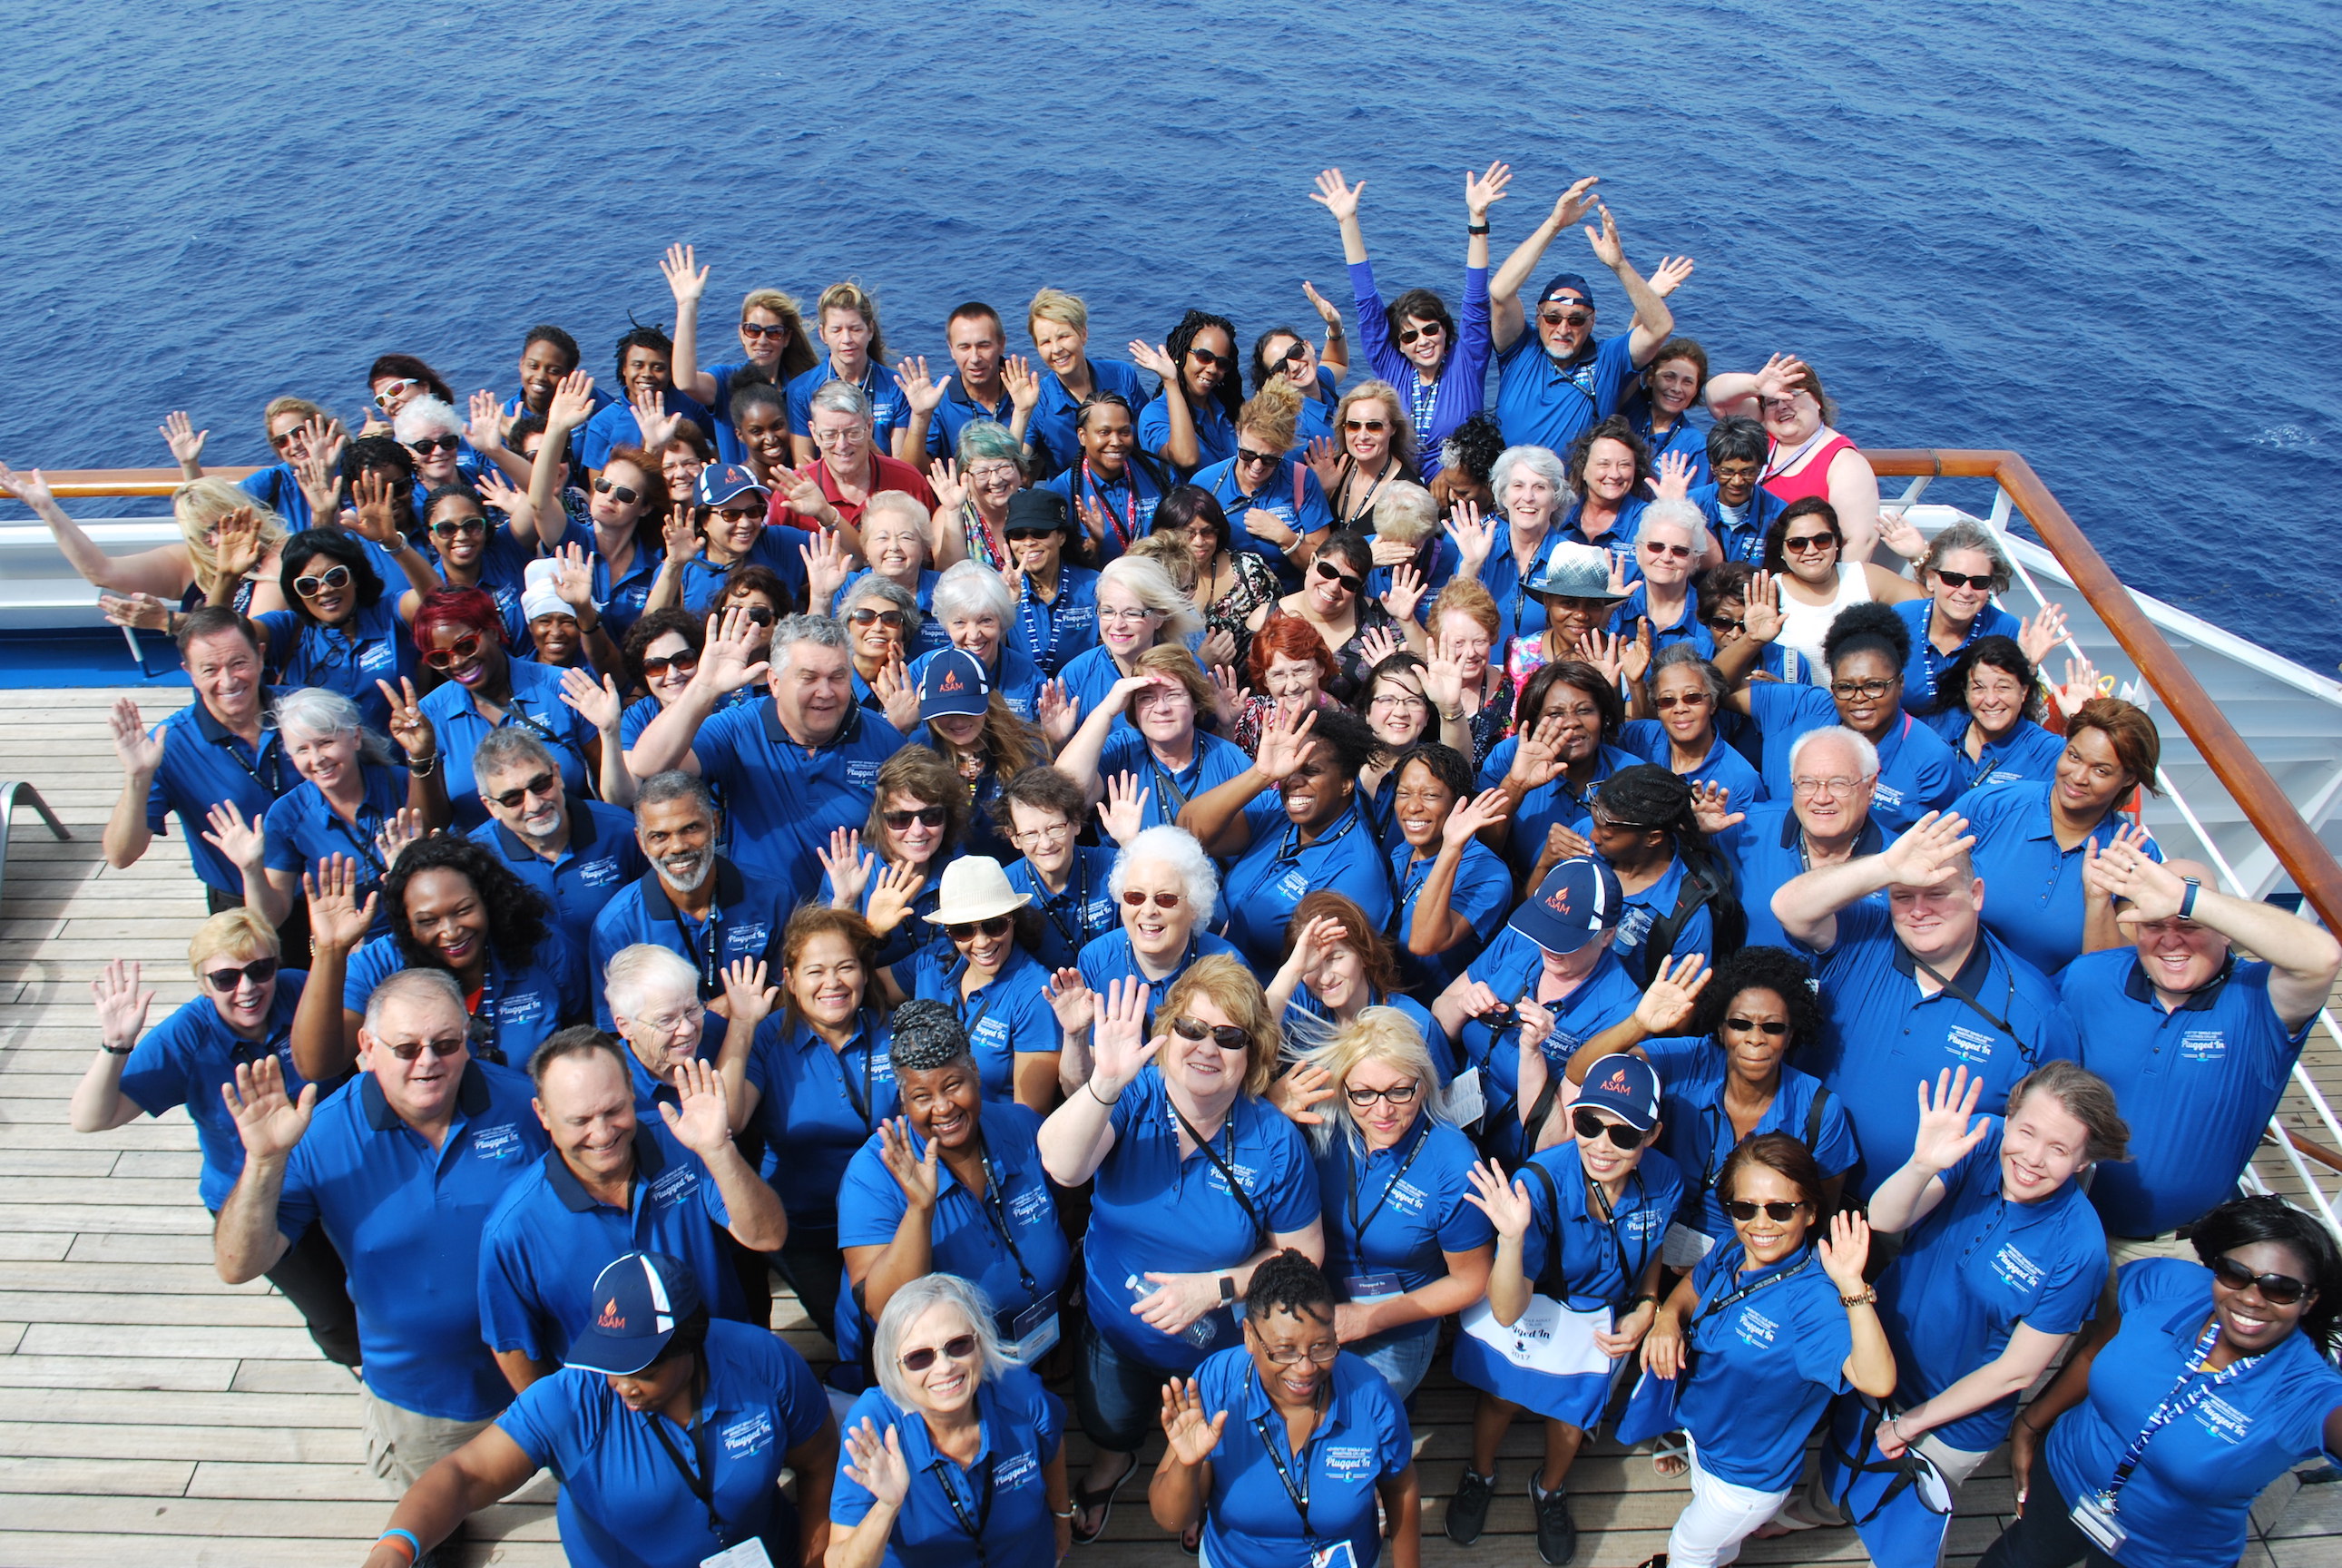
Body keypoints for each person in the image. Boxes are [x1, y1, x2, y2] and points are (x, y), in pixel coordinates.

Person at [213, 969, 549, 1501]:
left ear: (468, 1040)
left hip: (543, 1372)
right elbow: (237, 1264)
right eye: (406, 1047)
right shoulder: (321, 1134)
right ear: (367, 1047)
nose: (428, 1062)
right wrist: (264, 1161)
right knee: (435, 1521)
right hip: (423, 1399)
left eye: (445, 1043)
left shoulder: (529, 1106)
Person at [1036, 959, 1325, 1545]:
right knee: (1109, 1423)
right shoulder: (1133, 1094)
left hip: (1212, 1347)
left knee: (1201, 1434)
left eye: (1228, 1036)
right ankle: (1116, 1461)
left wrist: (1215, 1287)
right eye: (1192, 1029)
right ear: (1166, 1035)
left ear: (1253, 1054)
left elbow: (1303, 1257)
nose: (1206, 1048)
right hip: (1113, 1328)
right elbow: (1063, 1167)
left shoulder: (1273, 1141)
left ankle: (1193, 1484)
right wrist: (1104, 1081)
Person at [1801, 1061, 2122, 1557]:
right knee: (1844, 1459)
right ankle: (1816, 1512)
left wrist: (1912, 1425)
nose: (2033, 1159)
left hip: (1954, 1420)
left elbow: (2017, 1372)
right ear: (2009, 1117)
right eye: (2027, 1132)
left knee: (1906, 1522)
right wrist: (1922, 1163)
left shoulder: (2079, 1249)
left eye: (2059, 1149)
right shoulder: (1982, 1141)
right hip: (1881, 1357)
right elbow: (1884, 1219)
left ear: (2083, 1161)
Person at [361, 1250, 835, 1568]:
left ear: (691, 1344)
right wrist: (397, 1546)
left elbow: (819, 1464)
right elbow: (465, 1475)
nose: (621, 1385)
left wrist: (815, 1558)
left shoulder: (763, 1362)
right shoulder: (571, 1398)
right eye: (611, 1362)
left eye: (643, 1371)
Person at [1978, 1194, 2342, 1568]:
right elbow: (2090, 1356)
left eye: (2280, 1288)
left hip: (2162, 1553)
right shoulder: (2165, 1286)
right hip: (2064, 1475)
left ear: (2309, 1299)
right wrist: (2030, 1423)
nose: (2251, 1299)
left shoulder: (2306, 1394)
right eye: (2235, 1274)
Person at [73, 919, 358, 1367]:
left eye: (260, 969)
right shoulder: (186, 1035)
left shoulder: (299, 990)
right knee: (333, 1313)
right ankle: (364, 1370)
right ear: (203, 984)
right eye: (226, 978)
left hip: (343, 1172)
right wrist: (115, 1046)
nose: (247, 987)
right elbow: (92, 1118)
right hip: (265, 1194)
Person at [1773, 809, 2080, 1199]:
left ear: (1977, 894)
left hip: (1928, 1222)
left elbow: (2057, 1130)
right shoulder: (1868, 934)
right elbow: (1789, 907)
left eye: (1937, 894)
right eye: (1903, 896)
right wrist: (1885, 865)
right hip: (1803, 1193)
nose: (1919, 911)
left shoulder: (2034, 1013)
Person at [1448, 1054, 1680, 1564]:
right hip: (1534, 1302)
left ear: (1652, 1135)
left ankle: (1548, 1489)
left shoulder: (1666, 1180)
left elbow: (1654, 1245)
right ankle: (1479, 1472)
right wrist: (1511, 1239)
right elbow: (1508, 1310)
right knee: (1501, 1401)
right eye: (1589, 1123)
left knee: (1570, 1421)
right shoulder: (1541, 1182)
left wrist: (1647, 1305)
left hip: (1596, 1316)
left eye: (1624, 1135)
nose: (1601, 1145)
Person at [2065, 844, 2342, 1259]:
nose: (2171, 940)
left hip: (2181, 1249)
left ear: (2224, 927)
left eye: (2190, 923)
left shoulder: (2259, 999)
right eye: (2155, 923)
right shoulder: (2091, 977)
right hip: (2074, 1230)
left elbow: (2322, 958)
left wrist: (2186, 898)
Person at [1637, 1135, 1895, 1568]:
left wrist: (1852, 1285)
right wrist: (1667, 1320)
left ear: (1810, 1212)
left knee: (1687, 1549)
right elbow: (1693, 1287)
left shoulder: (1812, 1300)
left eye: (1780, 1209)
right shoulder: (1735, 1248)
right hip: (1704, 1438)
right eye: (1745, 1208)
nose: (1761, 1223)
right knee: (1719, 1545)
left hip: (1744, 1477)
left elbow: (1878, 1379)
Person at [477, 1027, 781, 1380]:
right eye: (580, 1121)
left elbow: (768, 1236)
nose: (603, 1133)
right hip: (616, 1413)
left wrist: (720, 1151)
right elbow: (513, 1347)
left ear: (629, 1086)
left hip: (726, 1377)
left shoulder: (686, 1142)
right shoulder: (513, 1227)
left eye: (614, 1110)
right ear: (542, 1114)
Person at [1569, 946, 1857, 1258]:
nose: (1755, 1038)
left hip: (1743, 1258)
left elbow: (1817, 1218)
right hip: (1648, 1238)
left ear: (1790, 1036)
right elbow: (1582, 1072)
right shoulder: (1691, 1059)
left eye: (1772, 1027)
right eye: (1740, 1024)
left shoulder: (1820, 1112)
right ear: (1721, 1027)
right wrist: (1639, 1023)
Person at [833, 1006, 1071, 1380]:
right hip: (938, 1372)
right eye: (921, 1096)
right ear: (902, 1100)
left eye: (953, 1085)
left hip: (1034, 1349)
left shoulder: (1020, 1126)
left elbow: (1070, 1207)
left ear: (975, 1073)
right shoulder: (872, 1172)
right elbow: (882, 1308)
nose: (943, 1108)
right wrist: (919, 1209)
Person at [1151, 1250, 1421, 1568]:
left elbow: (1401, 1487)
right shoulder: (1215, 1385)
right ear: (1250, 1337)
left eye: (1321, 1346)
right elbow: (1172, 1521)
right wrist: (1188, 1464)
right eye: (1285, 1350)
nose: (1305, 1368)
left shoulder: (1372, 1397)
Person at [628, 609, 909, 893]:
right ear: (774, 682)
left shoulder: (883, 739)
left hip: (854, 918)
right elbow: (648, 766)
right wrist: (703, 687)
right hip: (760, 923)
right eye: (808, 678)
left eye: (837, 677)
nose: (825, 692)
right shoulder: (739, 729)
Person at [1292, 1005, 1489, 1404]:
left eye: (1401, 1091)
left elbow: (1472, 1280)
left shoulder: (1453, 1166)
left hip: (1397, 1332)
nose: (1382, 1112)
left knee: (1349, 1418)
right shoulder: (1322, 1124)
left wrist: (1368, 1318)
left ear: (1424, 1083)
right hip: (1314, 1307)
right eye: (1363, 1094)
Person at [830, 1273, 1073, 1568]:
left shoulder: (1022, 1395)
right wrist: (887, 1506)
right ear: (894, 1369)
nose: (945, 1367)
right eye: (919, 1357)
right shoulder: (874, 1425)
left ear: (981, 1344)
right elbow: (841, 1563)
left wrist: (1062, 1518)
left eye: (958, 1345)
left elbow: (1051, 1448)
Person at [738, 906, 899, 1343]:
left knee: (891, 1325)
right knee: (853, 1337)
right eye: (815, 971)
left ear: (865, 974)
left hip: (885, 1218)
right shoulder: (769, 1037)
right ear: (789, 980)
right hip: (805, 1228)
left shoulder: (890, 1030)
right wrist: (741, 1023)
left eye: (846, 967)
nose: (833, 983)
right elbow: (732, 1118)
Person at [313, 830, 589, 1080]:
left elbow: (585, 1042)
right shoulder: (380, 964)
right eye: (428, 920)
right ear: (406, 923)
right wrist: (330, 951)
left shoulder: (542, 946)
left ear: (487, 899)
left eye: (463, 910)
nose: (451, 931)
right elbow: (318, 1065)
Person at [1430, 858, 1642, 1167]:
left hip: (1517, 1158)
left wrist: (1532, 1053)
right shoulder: (1522, 940)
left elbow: (1552, 1140)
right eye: (1546, 927)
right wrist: (1463, 1005)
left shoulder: (1620, 1010)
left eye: (1566, 938)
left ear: (1607, 935)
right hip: (1451, 1115)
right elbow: (1438, 1020)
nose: (1549, 945)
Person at [101, 611, 299, 913]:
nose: (228, 680)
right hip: (242, 905)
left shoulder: (306, 710)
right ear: (189, 672)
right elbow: (120, 855)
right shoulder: (170, 744)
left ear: (260, 657)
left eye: (239, 663)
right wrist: (138, 777)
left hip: (335, 890)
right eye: (210, 669)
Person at [1952, 696, 2165, 974]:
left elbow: (2115, 974)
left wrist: (2098, 902)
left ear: (2128, 778)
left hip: (2053, 1008)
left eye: (2100, 770)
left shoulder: (2138, 855)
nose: (2077, 776)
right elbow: (1917, 875)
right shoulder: (1990, 805)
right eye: (2073, 756)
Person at [1313, 161, 1501, 474]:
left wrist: (1477, 220)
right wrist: (1348, 222)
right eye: (1410, 336)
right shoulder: (1392, 369)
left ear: (1445, 331)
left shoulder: (1467, 362)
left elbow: (1476, 301)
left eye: (1430, 330)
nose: (1422, 341)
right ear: (1399, 344)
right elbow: (1367, 304)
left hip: (1455, 499)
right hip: (1398, 499)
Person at [1181, 705, 1394, 972]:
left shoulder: (1355, 871)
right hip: (1224, 981)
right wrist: (1262, 774)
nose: (1293, 780)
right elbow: (1190, 833)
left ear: (1346, 784)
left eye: (1311, 771)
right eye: (1290, 769)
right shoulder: (1276, 810)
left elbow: (1329, 974)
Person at [1723, 597, 1961, 834]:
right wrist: (1751, 640)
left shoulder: (1931, 760)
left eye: (1874, 685)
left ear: (1900, 684)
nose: (1859, 698)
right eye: (1845, 687)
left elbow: (1951, 841)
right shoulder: (1799, 706)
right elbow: (1708, 691)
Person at [1489, 181, 1684, 454]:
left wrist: (1620, 265)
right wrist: (1554, 225)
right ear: (1538, 315)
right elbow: (1500, 292)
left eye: (1577, 319)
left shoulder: (1609, 360)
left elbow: (1660, 327)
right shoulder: (1521, 350)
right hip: (1509, 491)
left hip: (1572, 495)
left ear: (1592, 322)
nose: (1563, 328)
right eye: (1553, 318)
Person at [587, 770, 787, 1026]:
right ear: (640, 841)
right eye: (659, 836)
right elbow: (616, 1032)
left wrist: (749, 999)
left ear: (716, 824)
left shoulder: (772, 896)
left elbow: (792, 985)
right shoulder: (616, 926)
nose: (678, 846)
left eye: (691, 828)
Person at [254, 685, 448, 936]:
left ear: (355, 738)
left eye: (325, 743)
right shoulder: (287, 815)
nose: (317, 759)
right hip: (351, 948)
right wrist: (250, 869)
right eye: (302, 749)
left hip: (423, 934)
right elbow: (272, 917)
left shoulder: (405, 784)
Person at [412, 588, 603, 830]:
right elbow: (430, 826)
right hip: (482, 859)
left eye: (466, 645)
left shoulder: (561, 686)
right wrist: (421, 757)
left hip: (572, 838)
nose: (457, 662)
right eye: (440, 658)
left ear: (492, 630)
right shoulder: (430, 714)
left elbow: (609, 784)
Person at [1567, 764, 1745, 987]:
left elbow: (1677, 1013)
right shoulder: (1590, 840)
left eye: (1606, 835)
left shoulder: (1689, 920)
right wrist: (1546, 862)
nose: (1593, 835)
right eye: (1593, 823)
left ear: (1653, 838)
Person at [465, 728, 643, 950]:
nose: (534, 804)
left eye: (540, 785)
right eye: (513, 798)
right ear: (491, 806)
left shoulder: (622, 830)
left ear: (557, 775)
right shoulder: (475, 858)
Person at [1719, 725, 1887, 950]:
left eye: (1839, 783)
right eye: (1807, 783)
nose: (1822, 798)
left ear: (1871, 787)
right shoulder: (1748, 829)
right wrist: (1695, 831)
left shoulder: (1897, 861)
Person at [1706, 352, 1885, 563]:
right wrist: (1755, 384)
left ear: (1817, 401)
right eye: (1772, 401)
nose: (1782, 405)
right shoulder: (1759, 434)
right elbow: (1715, 399)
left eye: (1792, 395)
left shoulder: (1844, 463)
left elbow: (1858, 543)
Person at [531, 376, 671, 639]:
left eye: (625, 494)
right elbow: (539, 503)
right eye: (604, 485)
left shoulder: (653, 566)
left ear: (644, 508)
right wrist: (556, 428)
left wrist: (655, 449)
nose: (610, 496)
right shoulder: (572, 539)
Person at [1885, 519, 2067, 721]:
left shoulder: (2005, 630)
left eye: (1979, 582)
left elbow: (2014, 712)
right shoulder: (1899, 621)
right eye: (1953, 579)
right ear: (1931, 579)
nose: (1966, 591)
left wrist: (2028, 665)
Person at [254, 525, 429, 730]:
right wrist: (227, 578)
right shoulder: (286, 629)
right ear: (296, 593)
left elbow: (436, 600)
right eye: (309, 585)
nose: (325, 589)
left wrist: (394, 543)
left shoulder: (388, 612)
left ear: (355, 577)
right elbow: (224, 640)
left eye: (336, 576)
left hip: (407, 759)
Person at [1484, 658, 1641, 879]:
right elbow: (1482, 854)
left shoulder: (1633, 775)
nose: (1571, 723)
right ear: (1535, 722)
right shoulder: (1509, 756)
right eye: (1556, 714)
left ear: (1603, 717)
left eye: (1585, 710)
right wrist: (1516, 785)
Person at [660, 247, 818, 464]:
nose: (762, 340)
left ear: (786, 338)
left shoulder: (802, 387)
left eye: (773, 332)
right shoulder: (726, 381)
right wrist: (687, 305)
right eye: (753, 330)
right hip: (743, 494)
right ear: (742, 334)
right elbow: (685, 381)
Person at [819, 747, 967, 979]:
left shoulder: (959, 868)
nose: (917, 831)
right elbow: (827, 973)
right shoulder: (852, 868)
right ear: (880, 820)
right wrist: (846, 908)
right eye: (901, 819)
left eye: (931, 816)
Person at [1264, 893, 1449, 1075]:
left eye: (1335, 958)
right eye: (1311, 966)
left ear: (1364, 955)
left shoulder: (1415, 1023)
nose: (1325, 979)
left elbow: (1439, 1099)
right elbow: (1253, 1038)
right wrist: (1293, 970)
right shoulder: (1297, 1009)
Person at [1066, 825, 1246, 1009]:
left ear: (1195, 907)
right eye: (1135, 897)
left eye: (1166, 899)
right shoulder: (1095, 959)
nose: (1148, 910)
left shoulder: (1228, 964)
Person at [1386, 741, 1515, 995]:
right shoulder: (1403, 849)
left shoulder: (1490, 876)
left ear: (1459, 803)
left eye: (1431, 795)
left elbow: (1424, 942)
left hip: (1435, 1014)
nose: (1413, 806)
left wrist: (1451, 847)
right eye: (1404, 793)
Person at [910, 645, 1049, 864]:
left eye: (968, 709)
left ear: (989, 701)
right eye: (945, 713)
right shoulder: (917, 751)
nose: (957, 721)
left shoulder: (1028, 750)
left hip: (1011, 881)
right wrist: (895, 728)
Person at [1052, 553, 1208, 729]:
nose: (1118, 624)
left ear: (1159, 617)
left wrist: (1227, 725)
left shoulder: (1190, 669)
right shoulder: (1075, 676)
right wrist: (1058, 742)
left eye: (1132, 613)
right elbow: (1062, 751)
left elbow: (1210, 744)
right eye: (1108, 611)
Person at [1021, 286, 1153, 479]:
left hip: (1131, 486)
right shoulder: (1039, 399)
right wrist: (1021, 411)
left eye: (1063, 336)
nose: (1056, 349)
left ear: (1083, 334)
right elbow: (1015, 467)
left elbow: (1149, 438)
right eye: (1045, 342)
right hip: (1071, 497)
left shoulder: (1121, 375)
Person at [996, 767, 1122, 970]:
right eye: (1030, 834)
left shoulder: (1114, 866)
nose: (1045, 843)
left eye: (1055, 828)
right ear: (1014, 838)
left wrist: (1130, 844)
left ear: (1075, 823)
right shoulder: (1004, 889)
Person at [1621, 644, 1764, 814]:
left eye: (1692, 698)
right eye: (1667, 700)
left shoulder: (1742, 782)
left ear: (1713, 703)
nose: (1680, 708)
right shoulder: (1639, 738)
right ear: (1657, 709)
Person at [897, 300, 1038, 471]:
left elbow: (1024, 475)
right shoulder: (938, 400)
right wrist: (920, 416)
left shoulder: (1028, 395)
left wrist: (1022, 412)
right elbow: (913, 471)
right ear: (951, 349)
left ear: (1001, 344)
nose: (975, 358)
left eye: (984, 345)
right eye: (964, 347)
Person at [1035, 389, 1173, 564]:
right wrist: (1095, 540)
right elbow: (1067, 568)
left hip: (1158, 580)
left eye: (1124, 432)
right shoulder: (1062, 492)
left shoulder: (1159, 474)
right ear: (1082, 436)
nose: (1116, 442)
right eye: (1104, 432)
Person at [1151, 485, 1279, 671]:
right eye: (1188, 533)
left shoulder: (1249, 570)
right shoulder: (1152, 579)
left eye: (1208, 532)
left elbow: (1278, 629)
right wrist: (1202, 662)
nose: (1199, 541)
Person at [786, 280, 911, 465]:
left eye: (855, 329)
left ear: (870, 330)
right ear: (822, 334)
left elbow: (901, 466)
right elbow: (804, 467)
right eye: (836, 330)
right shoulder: (801, 390)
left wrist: (865, 441)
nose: (846, 339)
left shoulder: (896, 387)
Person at [1932, 635, 2079, 788]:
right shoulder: (1937, 730)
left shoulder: (2047, 751)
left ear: (2023, 692)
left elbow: (2094, 774)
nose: (1991, 700)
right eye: (1978, 688)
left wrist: (2078, 719)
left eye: (2003, 687)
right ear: (1965, 692)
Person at [906, 561, 1045, 720]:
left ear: (1002, 619)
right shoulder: (921, 672)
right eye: (960, 622)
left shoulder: (1029, 678)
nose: (973, 635)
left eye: (985, 620)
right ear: (945, 625)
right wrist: (903, 727)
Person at [793, 380, 935, 533]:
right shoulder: (794, 491)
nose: (842, 445)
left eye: (853, 433)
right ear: (814, 433)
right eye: (830, 435)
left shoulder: (909, 482)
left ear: (869, 427)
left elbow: (932, 550)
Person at [573, 327, 713, 477]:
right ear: (624, 369)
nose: (647, 374)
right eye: (638, 365)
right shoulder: (603, 424)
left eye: (658, 368)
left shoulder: (690, 401)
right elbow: (597, 486)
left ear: (670, 371)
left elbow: (723, 439)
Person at [1504, 539, 1632, 701]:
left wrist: (1626, 686)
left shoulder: (1624, 657)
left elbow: (1637, 722)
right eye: (1569, 603)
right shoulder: (1520, 653)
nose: (1581, 615)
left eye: (1593, 604)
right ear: (1547, 602)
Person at [998, 489, 1099, 676]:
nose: (1028, 543)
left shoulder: (1094, 585)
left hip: (1081, 693)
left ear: (1061, 537)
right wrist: (1007, 604)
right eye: (1018, 534)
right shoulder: (997, 588)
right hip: (1020, 698)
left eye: (1040, 532)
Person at [1136, 308, 1244, 475]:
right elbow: (1186, 458)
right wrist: (1171, 382)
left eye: (1222, 363)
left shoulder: (1227, 409)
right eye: (1204, 357)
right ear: (1182, 354)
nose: (1212, 369)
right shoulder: (1155, 414)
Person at [1308, 381, 1420, 534]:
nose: (1362, 436)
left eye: (1374, 426)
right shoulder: (1334, 468)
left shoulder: (1410, 494)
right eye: (1353, 426)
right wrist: (1321, 492)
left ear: (1393, 429)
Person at [1611, 495, 1712, 656]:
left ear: (1695, 560)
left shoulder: (1710, 619)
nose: (1666, 558)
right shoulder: (1615, 610)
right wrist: (1605, 612)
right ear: (1638, 551)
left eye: (1680, 550)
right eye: (1656, 547)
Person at [1426, 578, 1514, 767]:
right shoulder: (1421, 686)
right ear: (1436, 640)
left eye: (1479, 641)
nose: (1470, 652)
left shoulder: (1511, 692)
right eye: (1459, 643)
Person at [924, 418, 1026, 571]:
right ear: (965, 477)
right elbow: (949, 576)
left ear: (1019, 468)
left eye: (1004, 467)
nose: (996, 480)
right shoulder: (948, 515)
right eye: (982, 472)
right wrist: (953, 512)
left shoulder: (1036, 505)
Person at [1556, 415, 1651, 572]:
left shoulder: (1648, 521)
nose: (1614, 474)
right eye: (1604, 464)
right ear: (1583, 470)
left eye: (1624, 465)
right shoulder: (1559, 514)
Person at [1690, 415, 1784, 567]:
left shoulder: (1779, 514)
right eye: (1727, 471)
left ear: (1760, 468)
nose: (1737, 481)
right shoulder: (1690, 505)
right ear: (1713, 467)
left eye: (1747, 472)